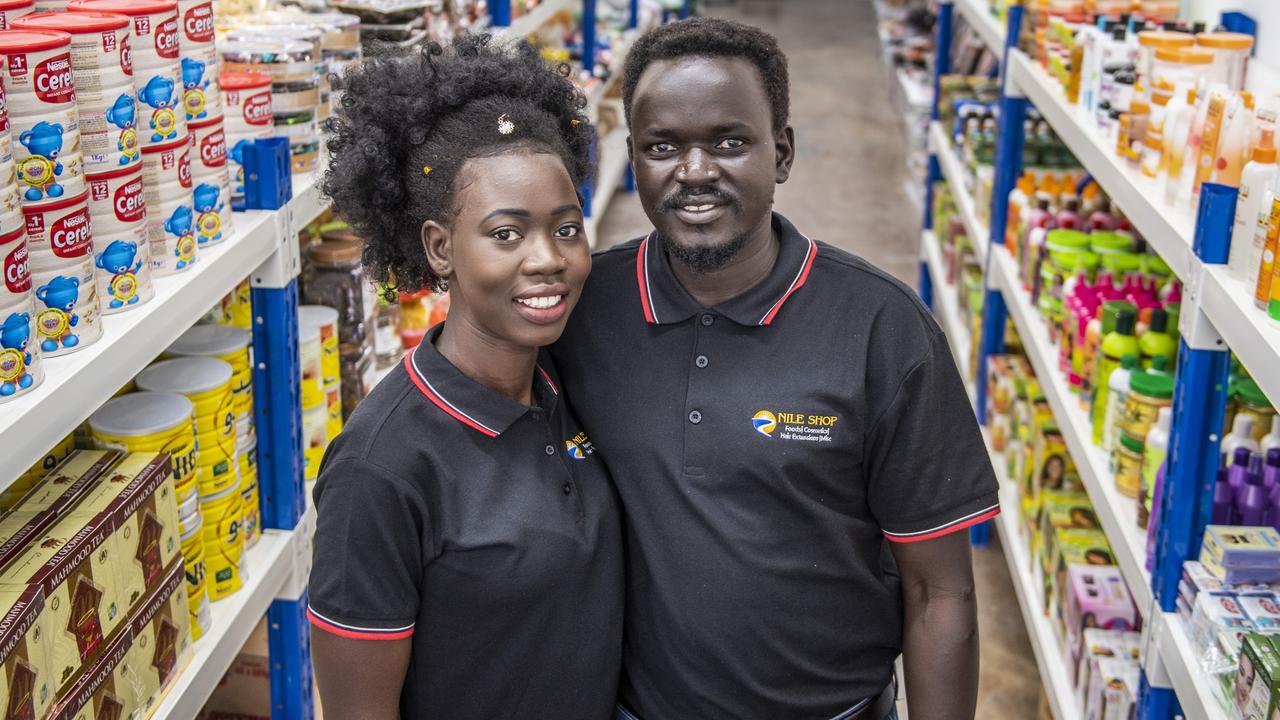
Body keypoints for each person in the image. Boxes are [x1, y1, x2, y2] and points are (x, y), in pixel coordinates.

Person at [551, 17, 998, 720]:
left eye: (729, 142)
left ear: (782, 153)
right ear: (632, 159)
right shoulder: (580, 315)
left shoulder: (881, 329)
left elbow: (940, 593)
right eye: (662, 146)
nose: (695, 172)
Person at [307, 36, 622, 719]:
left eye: (567, 229)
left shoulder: (572, 384)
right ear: (440, 248)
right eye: (506, 234)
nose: (548, 259)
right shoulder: (380, 469)